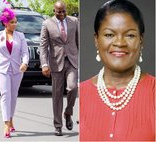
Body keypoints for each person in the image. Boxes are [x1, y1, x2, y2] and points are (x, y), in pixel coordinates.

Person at [80, 0, 155, 141]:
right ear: (96, 39)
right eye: (109, 35)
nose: (119, 43)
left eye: (130, 35)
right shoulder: (79, 94)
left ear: (141, 40)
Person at [0, 7, 29, 138]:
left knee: (13, 95)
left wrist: (25, 63)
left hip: (17, 69)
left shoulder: (20, 36)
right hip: (1, 69)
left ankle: (10, 118)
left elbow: (25, 53)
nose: (15, 24)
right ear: (5, 23)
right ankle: (6, 123)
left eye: (16, 22)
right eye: (12, 22)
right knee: (5, 94)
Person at [39, 1, 78, 136]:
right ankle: (58, 125)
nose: (62, 14)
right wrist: (44, 64)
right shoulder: (47, 24)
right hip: (56, 63)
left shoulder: (74, 21)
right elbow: (43, 46)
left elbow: (78, 42)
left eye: (63, 11)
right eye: (59, 12)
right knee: (57, 95)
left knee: (72, 88)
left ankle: (68, 113)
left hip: (72, 61)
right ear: (54, 11)